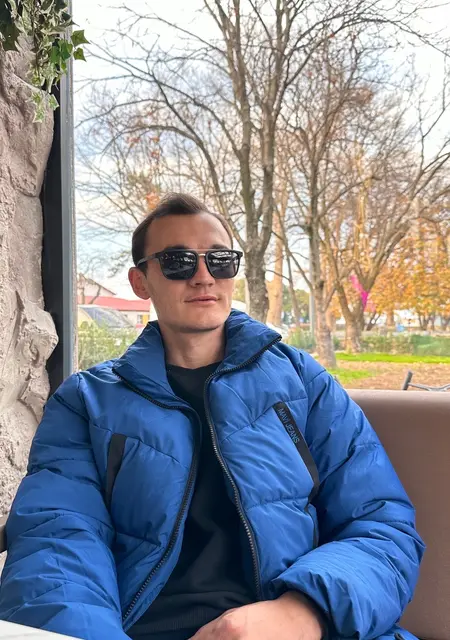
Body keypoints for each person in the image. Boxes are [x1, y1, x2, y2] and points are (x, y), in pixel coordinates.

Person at [0, 194, 424, 640]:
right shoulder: (87, 401)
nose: (204, 276)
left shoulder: (303, 383)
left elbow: (381, 524)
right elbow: (58, 540)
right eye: (178, 262)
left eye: (220, 260)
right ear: (141, 281)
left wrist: (302, 612)